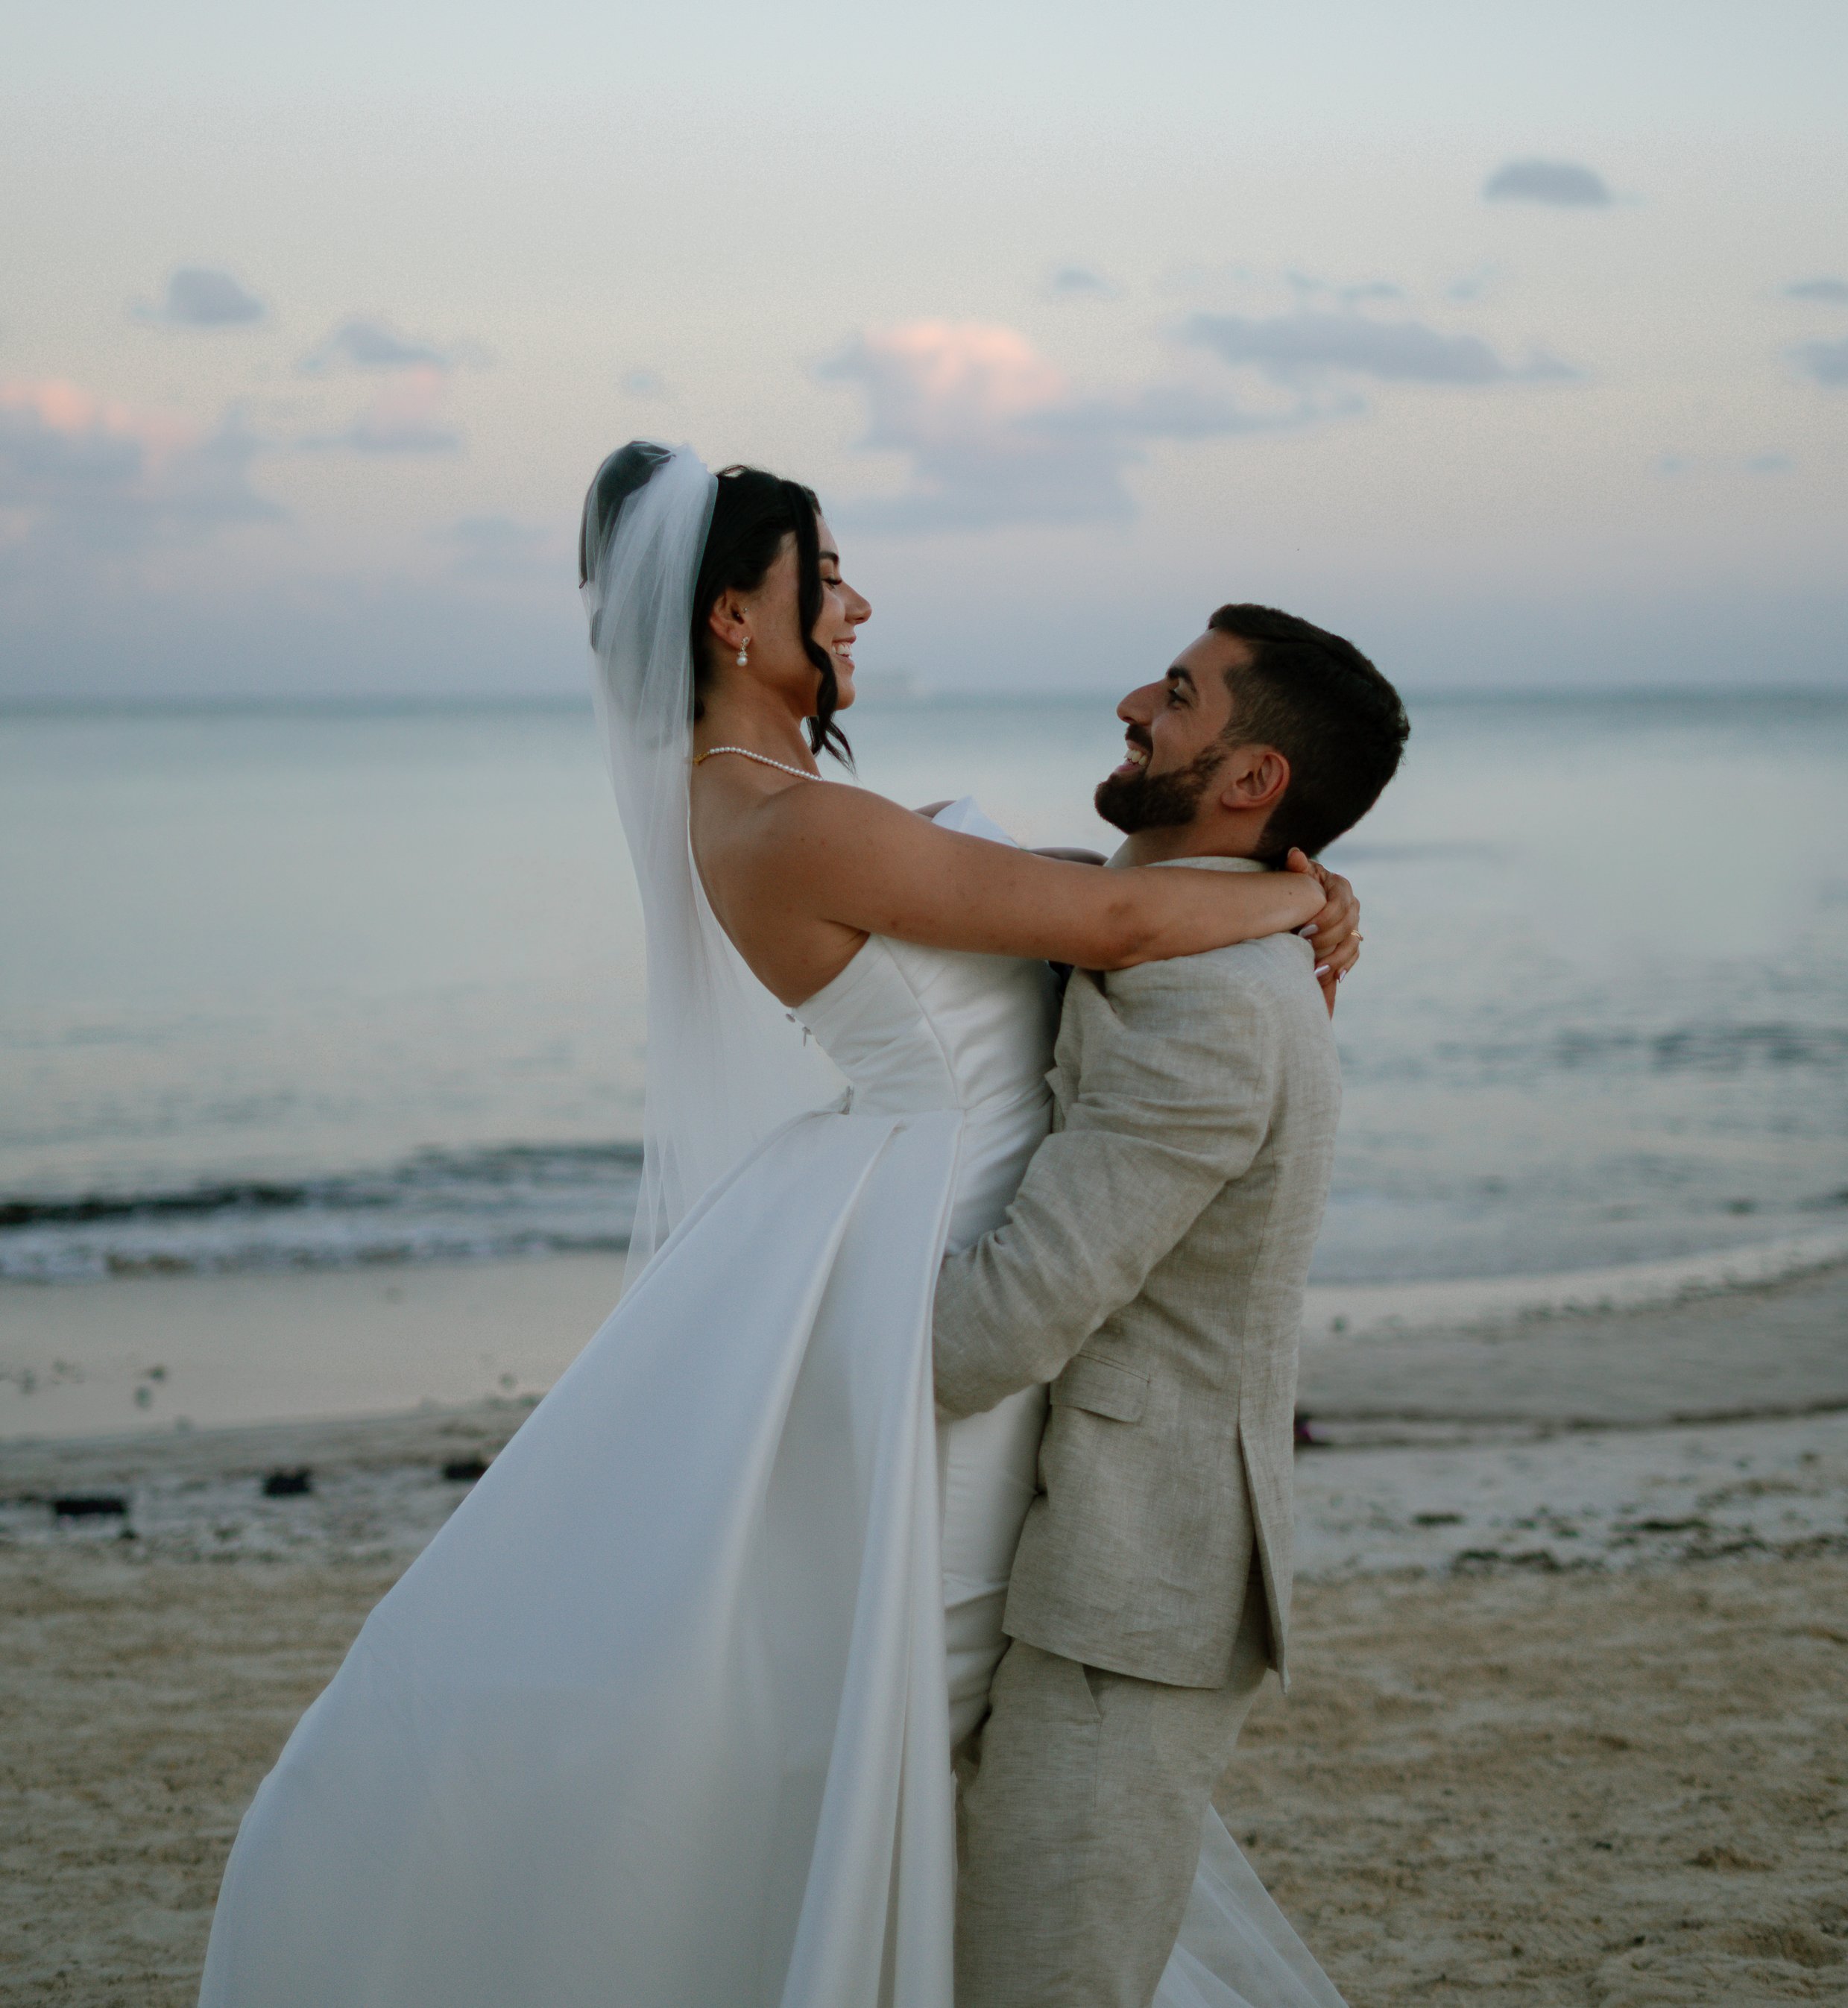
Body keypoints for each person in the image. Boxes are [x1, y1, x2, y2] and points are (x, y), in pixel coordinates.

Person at [196, 444, 1365, 2008]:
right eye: (823, 580)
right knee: (907, 1700)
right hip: (932, 1258)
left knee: (921, 1727)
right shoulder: (775, 821)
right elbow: (1107, 920)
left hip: (919, 1226)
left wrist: (1268, 890)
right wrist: (1298, 899)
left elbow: (1072, 898)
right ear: (732, 624)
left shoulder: (802, 806)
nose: (858, 601)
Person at [935, 609, 1409, 2008]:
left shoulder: (1205, 1000)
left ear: (1253, 781)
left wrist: (788, 1297)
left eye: (1183, 694)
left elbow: (994, 1330)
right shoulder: (1179, 935)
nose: (1136, 698)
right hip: (1107, 1557)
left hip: (1130, 1586)